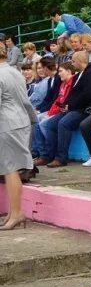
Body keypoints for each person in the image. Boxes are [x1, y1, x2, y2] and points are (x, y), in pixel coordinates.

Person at [38, 50, 91, 168]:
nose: (72, 63)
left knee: (63, 123)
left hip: (83, 110)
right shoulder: (79, 74)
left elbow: (88, 95)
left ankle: (61, 158)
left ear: (80, 61)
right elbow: (73, 93)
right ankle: (47, 156)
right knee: (49, 124)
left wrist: (70, 105)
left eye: (73, 61)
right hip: (72, 108)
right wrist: (66, 105)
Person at [0, 43, 36, 231]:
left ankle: (16, 213)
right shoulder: (14, 71)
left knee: (10, 169)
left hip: (6, 125)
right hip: (20, 121)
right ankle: (12, 213)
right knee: (10, 168)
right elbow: (25, 101)